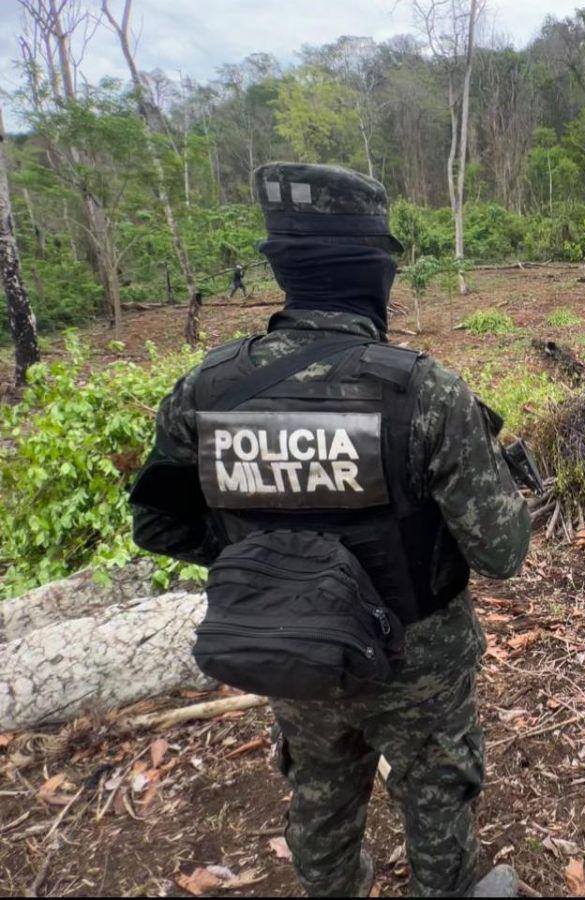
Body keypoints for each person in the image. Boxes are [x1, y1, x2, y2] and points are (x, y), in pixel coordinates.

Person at [130, 162, 530, 898]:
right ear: (377, 275)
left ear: (284, 268)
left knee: (319, 796)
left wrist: (259, 557)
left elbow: (157, 523)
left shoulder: (207, 388)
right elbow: (501, 552)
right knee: (436, 800)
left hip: (290, 647)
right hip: (418, 660)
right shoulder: (423, 390)